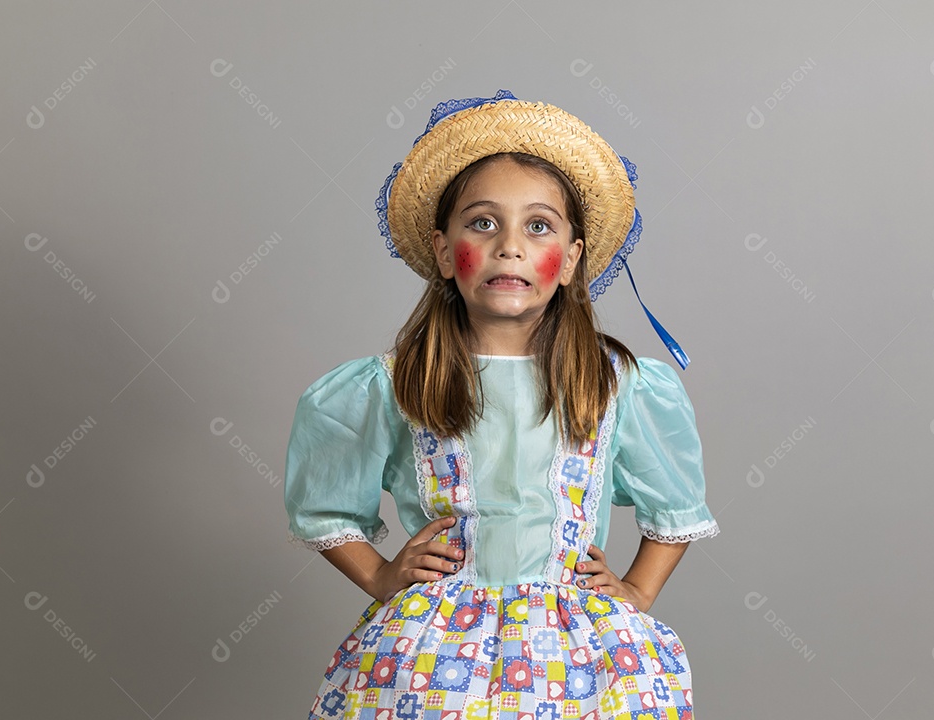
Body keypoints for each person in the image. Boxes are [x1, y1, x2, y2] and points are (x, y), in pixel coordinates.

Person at [284, 90, 720, 720]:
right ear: (442, 251)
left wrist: (637, 591)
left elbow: (675, 508)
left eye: (537, 226)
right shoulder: (395, 382)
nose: (508, 246)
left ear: (571, 260)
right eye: (482, 223)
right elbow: (323, 508)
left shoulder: (616, 382)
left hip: (579, 654)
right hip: (436, 651)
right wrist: (382, 578)